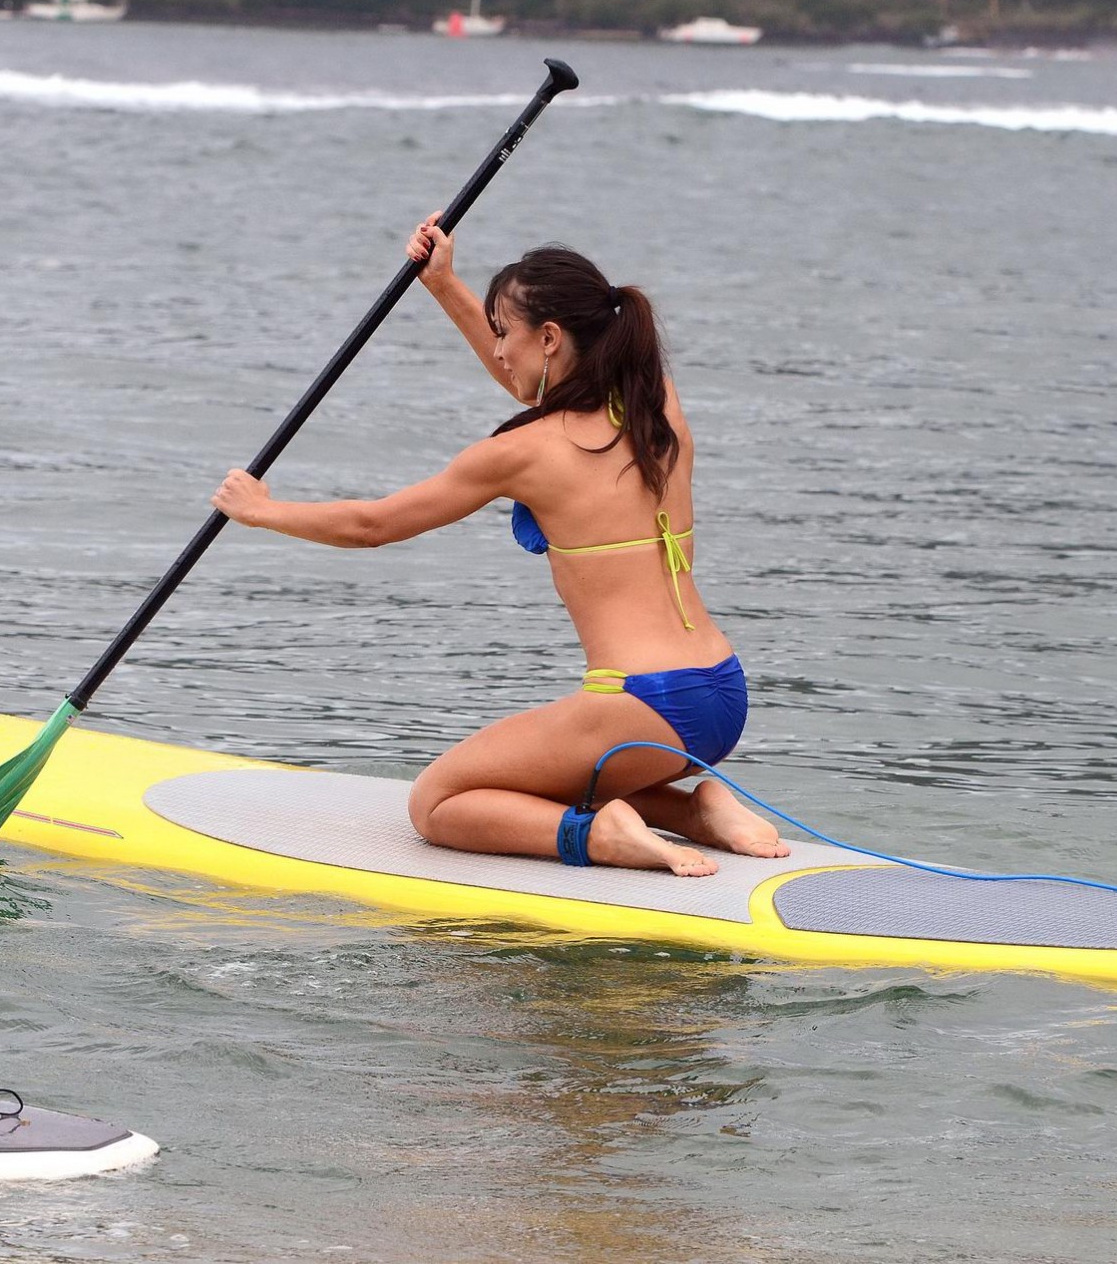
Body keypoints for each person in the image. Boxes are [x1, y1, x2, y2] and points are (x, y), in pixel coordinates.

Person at [211, 214, 786, 876]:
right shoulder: (658, 409)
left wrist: (263, 511)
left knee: (439, 801)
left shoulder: (523, 454)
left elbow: (373, 525)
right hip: (720, 693)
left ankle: (601, 835)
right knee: (552, 772)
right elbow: (536, 380)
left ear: (548, 336)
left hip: (641, 706)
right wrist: (443, 283)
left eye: (504, 333)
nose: (499, 350)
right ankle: (696, 811)